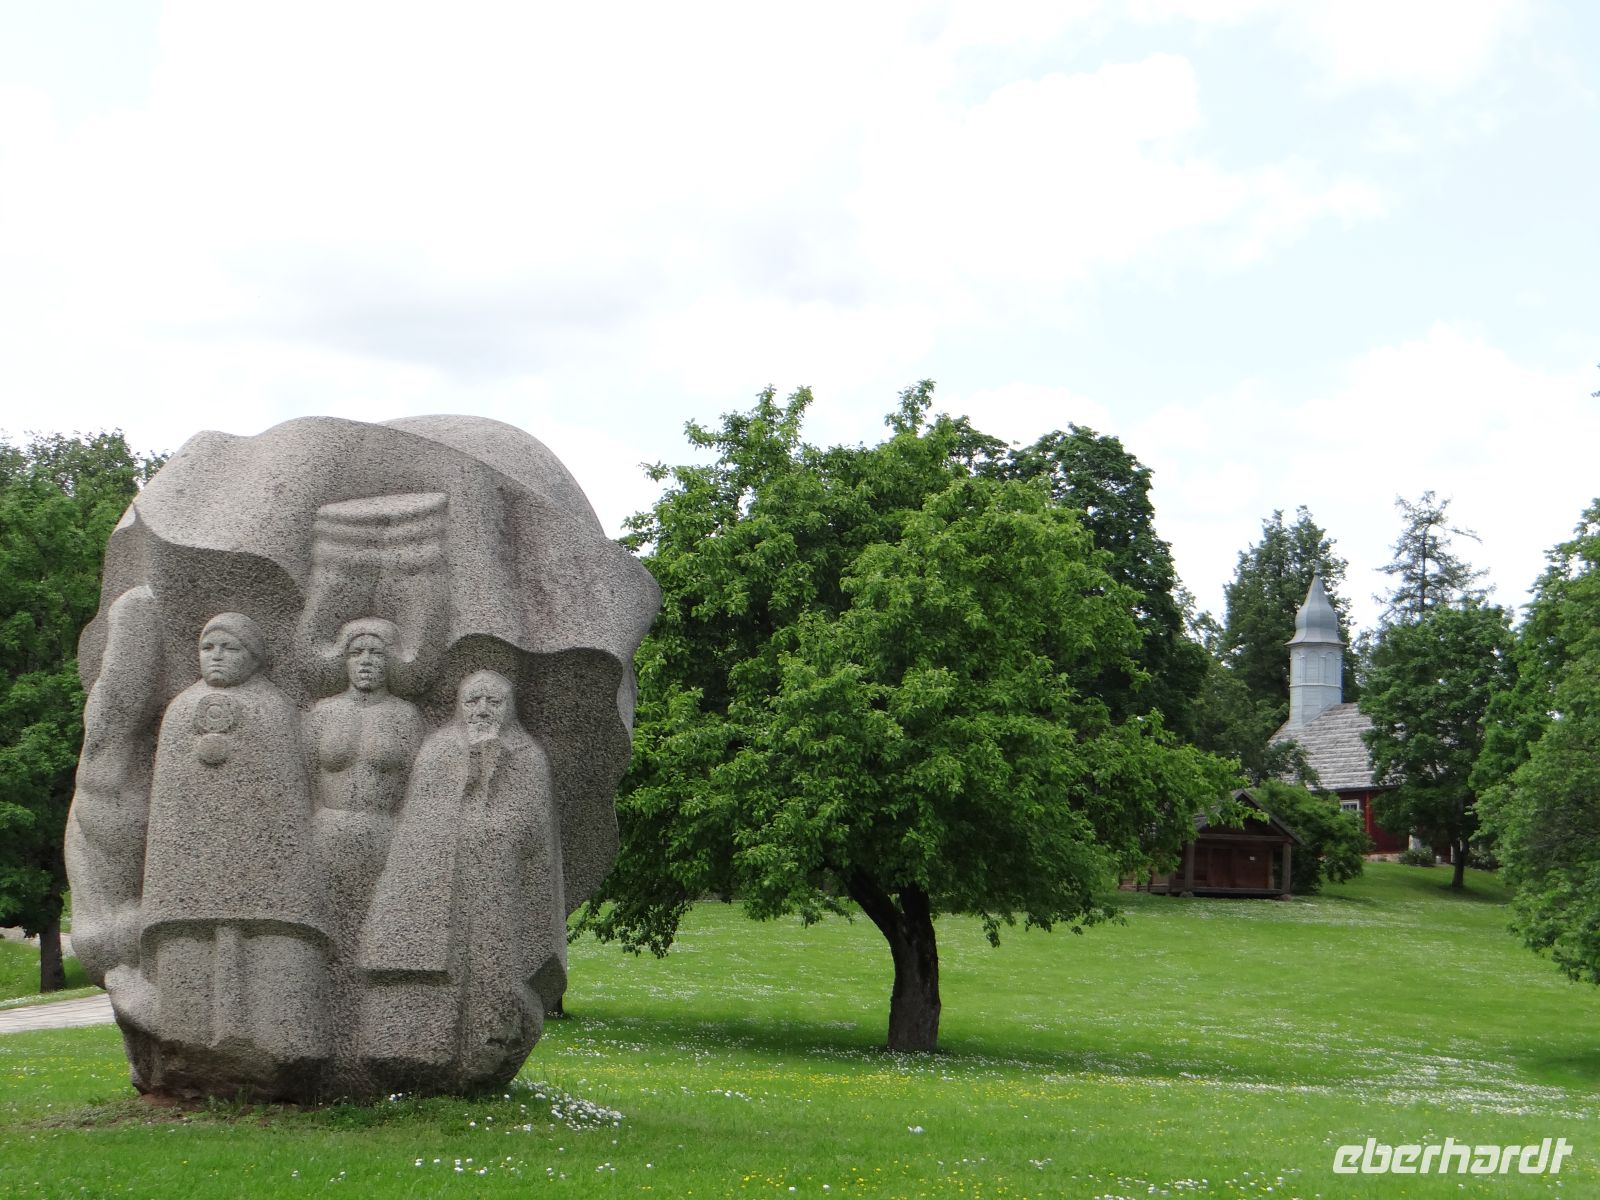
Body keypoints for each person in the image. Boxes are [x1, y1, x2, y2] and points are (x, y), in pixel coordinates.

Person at [137, 613, 330, 1095]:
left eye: (230, 648)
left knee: (271, 952)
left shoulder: (274, 709)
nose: (217, 657)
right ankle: (189, 1045)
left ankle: (278, 1041)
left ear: (255, 657)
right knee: (192, 952)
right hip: (192, 865)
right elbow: (168, 799)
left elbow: (286, 794)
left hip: (266, 867)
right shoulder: (181, 709)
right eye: (208, 648)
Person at [358, 669, 566, 1093]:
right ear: (459, 706)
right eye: (473, 701)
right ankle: (421, 1047)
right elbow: (420, 814)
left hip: (498, 882)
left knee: (492, 963)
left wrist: (492, 824)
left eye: (493, 702)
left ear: (509, 709)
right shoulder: (438, 749)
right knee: (435, 962)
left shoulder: (526, 756)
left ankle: (486, 1048)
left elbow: (532, 824)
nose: (483, 710)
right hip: (437, 881)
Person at [304, 618, 424, 1088]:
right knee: (325, 937)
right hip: (327, 831)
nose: (367, 662)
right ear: (344, 660)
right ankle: (320, 1038)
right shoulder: (321, 714)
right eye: (357, 653)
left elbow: (422, 788)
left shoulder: (407, 718)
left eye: (377, 654)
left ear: (392, 661)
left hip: (387, 835)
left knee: (381, 940)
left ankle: (383, 1040)